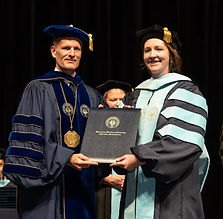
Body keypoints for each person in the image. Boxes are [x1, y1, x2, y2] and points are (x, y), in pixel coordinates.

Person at [3, 24, 107, 219]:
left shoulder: (92, 95)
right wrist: (66, 158)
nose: (72, 53)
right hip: (48, 193)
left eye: (77, 49)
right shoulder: (38, 89)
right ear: (54, 51)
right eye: (66, 48)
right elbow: (29, 143)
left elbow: (103, 142)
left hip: (83, 191)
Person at [110, 24, 210, 219]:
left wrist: (139, 158)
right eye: (147, 50)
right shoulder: (135, 95)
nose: (152, 55)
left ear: (171, 55)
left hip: (171, 198)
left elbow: (182, 143)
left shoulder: (186, 91)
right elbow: (117, 139)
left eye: (159, 49)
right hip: (134, 194)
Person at [95, 80, 132, 219]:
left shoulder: (135, 125)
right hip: (103, 191)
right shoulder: (95, 126)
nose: (117, 103)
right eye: (113, 99)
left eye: (121, 99)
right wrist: (103, 178)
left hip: (128, 189)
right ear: (104, 102)